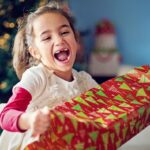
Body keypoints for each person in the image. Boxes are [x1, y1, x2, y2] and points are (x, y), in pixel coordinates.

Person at [0, 1, 98, 150]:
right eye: (46, 38)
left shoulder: (85, 80)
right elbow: (6, 115)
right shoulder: (37, 76)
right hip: (37, 142)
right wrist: (29, 120)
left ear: (75, 39)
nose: (59, 40)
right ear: (35, 52)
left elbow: (104, 107)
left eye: (64, 32)